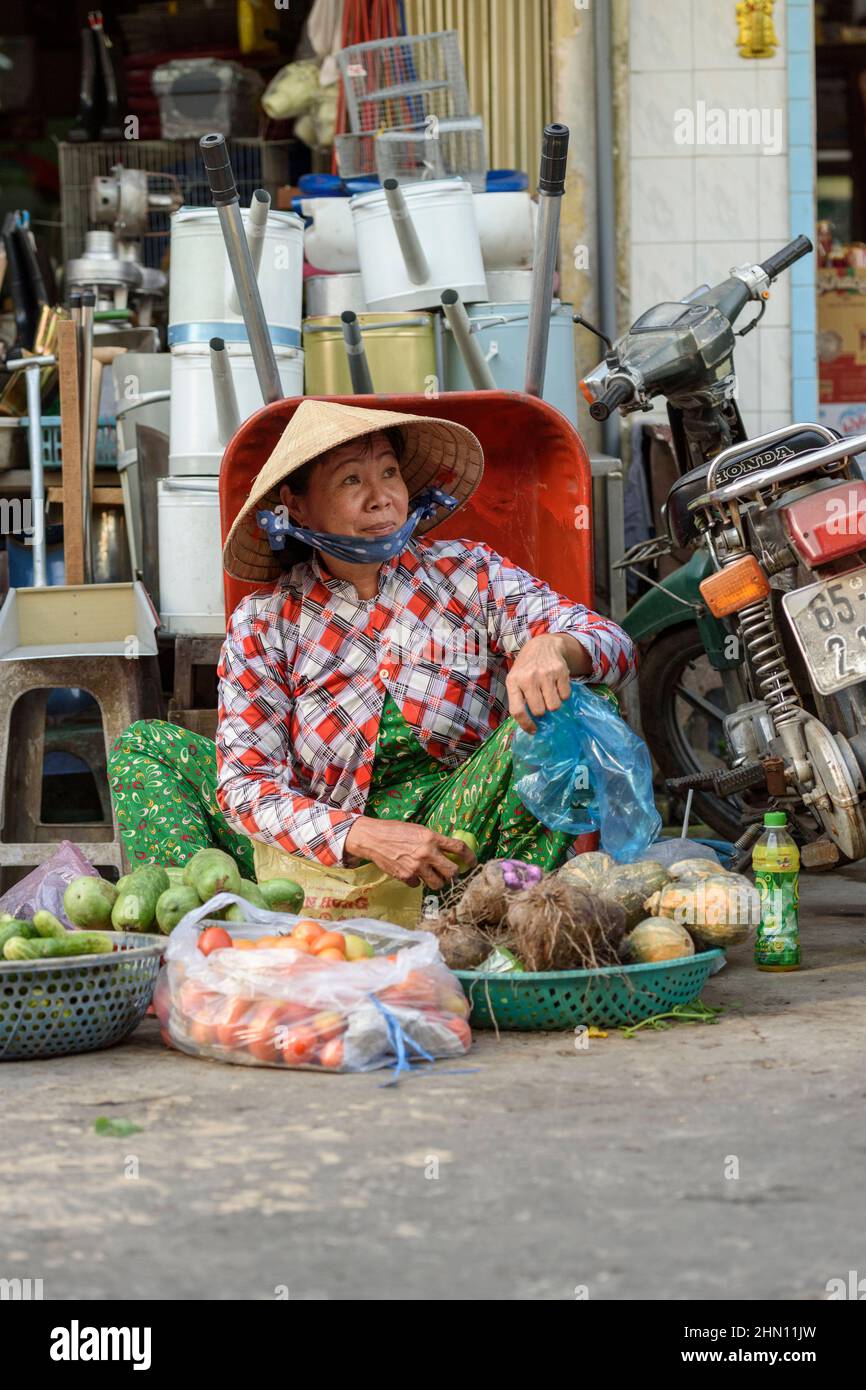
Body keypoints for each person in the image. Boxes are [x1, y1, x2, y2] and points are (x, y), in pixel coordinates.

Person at [108, 400, 636, 891]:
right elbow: (246, 785)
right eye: (351, 481)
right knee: (145, 748)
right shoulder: (266, 621)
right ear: (299, 505)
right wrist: (356, 835)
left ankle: (514, 908)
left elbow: (613, 646)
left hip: (461, 845)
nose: (381, 496)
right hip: (321, 865)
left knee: (577, 705)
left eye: (389, 473)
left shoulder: (468, 573)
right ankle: (219, 926)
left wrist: (554, 647)